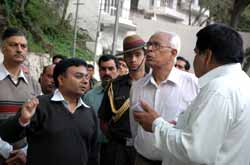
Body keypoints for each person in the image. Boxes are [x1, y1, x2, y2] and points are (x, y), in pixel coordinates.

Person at [133, 24, 250, 165]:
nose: (150, 49)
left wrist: (156, 124)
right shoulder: (242, 82)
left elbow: (194, 151)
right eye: (149, 45)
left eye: (196, 53)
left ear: (207, 56)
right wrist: (181, 127)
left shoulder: (218, 90)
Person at [0, 58, 98, 165]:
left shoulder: (89, 112)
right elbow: (7, 135)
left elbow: (92, 154)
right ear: (61, 79)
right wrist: (22, 120)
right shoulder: (39, 105)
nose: (85, 81)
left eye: (86, 77)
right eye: (78, 76)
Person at [130, 31, 198, 165]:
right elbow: (134, 126)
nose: (149, 49)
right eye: (148, 45)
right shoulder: (137, 86)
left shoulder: (193, 84)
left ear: (173, 52)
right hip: (142, 159)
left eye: (156, 45)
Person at [98, 34, 146, 165]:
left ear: (145, 55)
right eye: (129, 56)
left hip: (144, 150)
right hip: (117, 150)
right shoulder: (114, 85)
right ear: (124, 58)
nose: (133, 59)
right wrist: (117, 140)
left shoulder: (153, 84)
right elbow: (103, 120)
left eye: (137, 54)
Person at [0, 27, 41, 164]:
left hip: (25, 157)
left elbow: (39, 121)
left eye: (23, 46)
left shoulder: (33, 84)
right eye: (13, 45)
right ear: (2, 48)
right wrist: (6, 150)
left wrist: (25, 152)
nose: (19, 49)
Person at [83, 54, 119, 165]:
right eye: (103, 69)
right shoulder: (89, 96)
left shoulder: (128, 94)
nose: (107, 72)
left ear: (118, 70)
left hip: (118, 150)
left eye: (111, 68)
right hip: (94, 149)